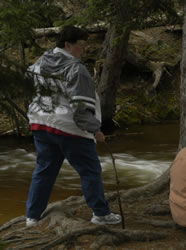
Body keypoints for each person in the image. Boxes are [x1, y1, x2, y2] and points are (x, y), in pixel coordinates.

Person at [25, 26, 121, 227]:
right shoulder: (76, 69)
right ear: (68, 45)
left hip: (41, 125)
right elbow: (80, 108)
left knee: (44, 171)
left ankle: (32, 217)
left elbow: (28, 86)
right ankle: (101, 214)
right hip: (69, 128)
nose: (83, 50)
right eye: (81, 46)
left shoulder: (40, 63)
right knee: (90, 170)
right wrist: (95, 129)